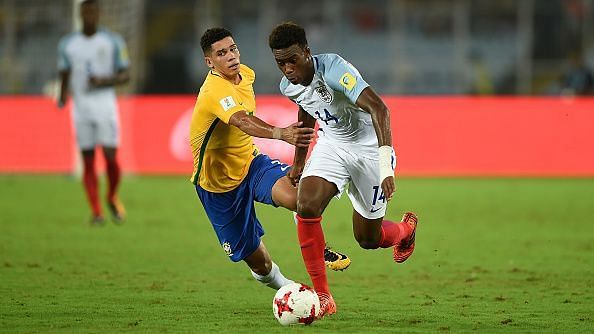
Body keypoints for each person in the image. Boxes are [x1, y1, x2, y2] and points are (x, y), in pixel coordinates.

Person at [268, 22, 419, 318]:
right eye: (280, 63)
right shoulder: (288, 86)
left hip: (368, 149)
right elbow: (306, 111)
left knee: (368, 239)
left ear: (307, 53)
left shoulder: (334, 69)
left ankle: (405, 230)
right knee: (306, 205)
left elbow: (380, 109)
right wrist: (299, 163)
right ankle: (323, 297)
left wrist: (385, 164)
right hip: (332, 145)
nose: (287, 69)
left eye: (292, 60)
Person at [191, 28, 350, 293]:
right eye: (221, 53)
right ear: (210, 62)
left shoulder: (247, 74)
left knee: (299, 198)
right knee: (260, 265)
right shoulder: (214, 91)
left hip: (252, 165)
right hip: (218, 187)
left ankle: (317, 250)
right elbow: (242, 120)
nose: (231, 56)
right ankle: (286, 287)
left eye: (233, 49)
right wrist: (280, 133)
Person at [57, 0, 129, 225]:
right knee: (87, 159)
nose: (88, 15)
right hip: (80, 107)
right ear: (80, 13)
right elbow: (64, 72)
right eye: (85, 11)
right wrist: (61, 96)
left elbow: (126, 75)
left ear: (99, 13)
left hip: (105, 105)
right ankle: (96, 212)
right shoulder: (68, 44)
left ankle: (111, 196)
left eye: (92, 11)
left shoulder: (113, 41)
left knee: (110, 155)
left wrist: (103, 80)